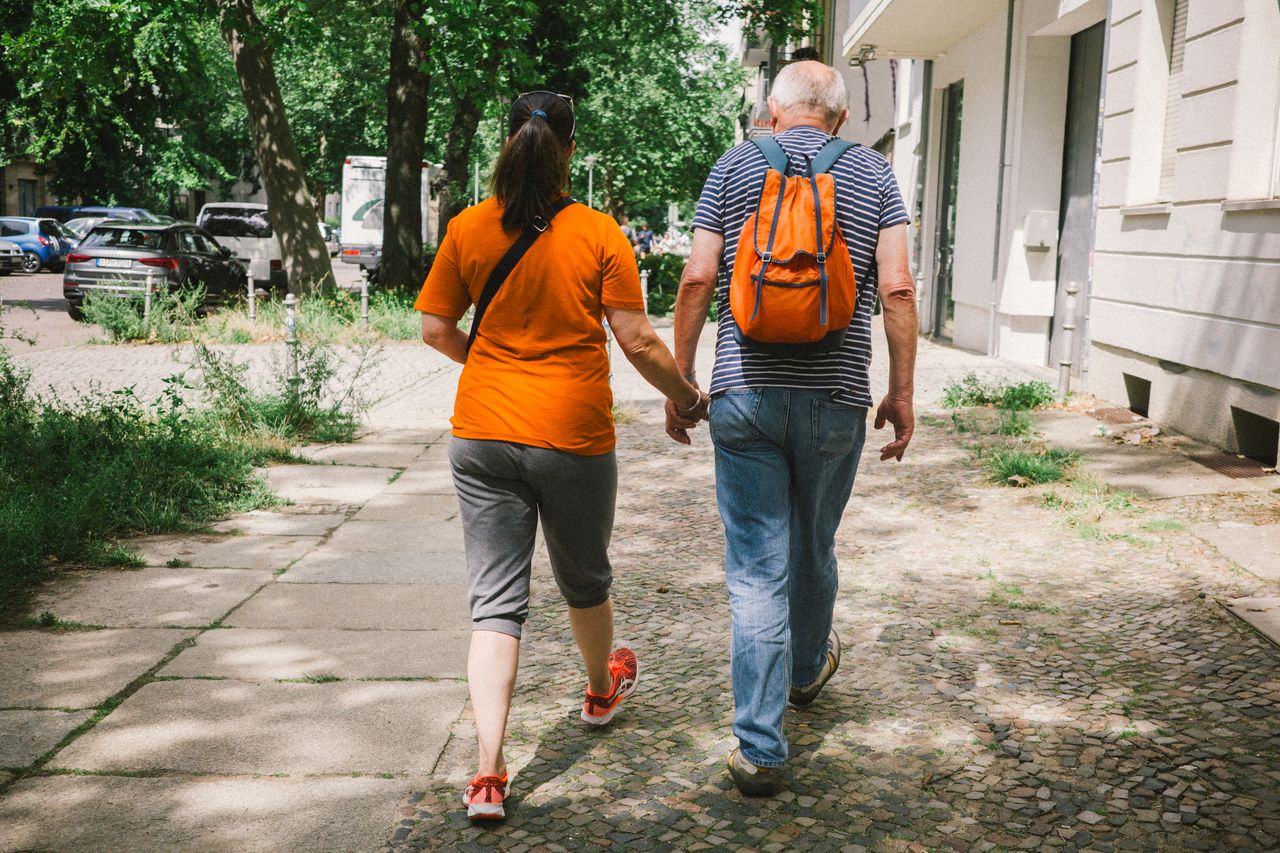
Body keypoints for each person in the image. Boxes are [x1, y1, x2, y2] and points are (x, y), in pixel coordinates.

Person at [415, 90, 710, 822]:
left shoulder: (468, 227)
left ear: (507, 142)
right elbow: (637, 339)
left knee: (495, 604)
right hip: (573, 435)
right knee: (583, 577)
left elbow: (434, 328)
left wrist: (490, 365)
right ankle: (601, 691)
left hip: (482, 434)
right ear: (570, 150)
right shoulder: (599, 233)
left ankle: (488, 774)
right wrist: (687, 396)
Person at [666, 60, 918, 796]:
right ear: (841, 117)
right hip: (836, 397)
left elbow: (697, 277)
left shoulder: (734, 165)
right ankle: (806, 671)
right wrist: (901, 392)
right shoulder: (875, 173)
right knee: (814, 542)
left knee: (756, 569)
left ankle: (760, 748)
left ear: (772, 112)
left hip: (743, 394)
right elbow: (898, 289)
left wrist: (682, 381)